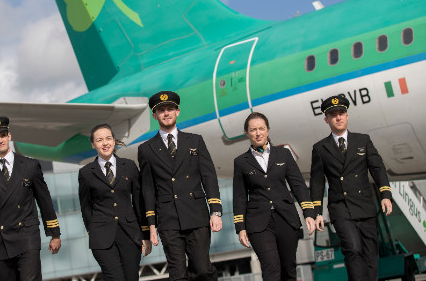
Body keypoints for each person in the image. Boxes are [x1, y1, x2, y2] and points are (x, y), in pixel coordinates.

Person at [138, 91, 222, 281]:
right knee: (177, 273)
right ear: (155, 116)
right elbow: (148, 190)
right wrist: (151, 225)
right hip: (168, 219)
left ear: (178, 112)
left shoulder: (195, 141)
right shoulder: (146, 149)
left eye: (170, 109)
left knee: (202, 269)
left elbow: (209, 177)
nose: (166, 113)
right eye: (161, 111)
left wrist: (215, 211)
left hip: (197, 215)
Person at [0, 116, 61, 281]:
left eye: (2, 135)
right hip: (0, 243)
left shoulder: (30, 165)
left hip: (27, 236)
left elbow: (44, 201)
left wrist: (55, 234)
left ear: (9, 136)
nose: (0, 140)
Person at [310, 95, 392, 281]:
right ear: (326, 119)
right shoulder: (320, 148)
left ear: (347, 116)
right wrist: (317, 212)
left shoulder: (362, 140)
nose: (338, 118)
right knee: (353, 249)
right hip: (341, 208)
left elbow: (377, 168)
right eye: (333, 115)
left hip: (365, 206)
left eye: (341, 113)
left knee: (370, 253)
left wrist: (385, 194)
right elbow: (317, 182)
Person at [233, 112, 316, 281]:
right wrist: (240, 227)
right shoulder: (241, 161)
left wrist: (309, 213)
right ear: (247, 133)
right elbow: (240, 196)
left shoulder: (283, 155)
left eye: (261, 128)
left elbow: (298, 185)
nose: (258, 133)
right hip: (259, 223)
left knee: (288, 269)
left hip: (286, 218)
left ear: (268, 130)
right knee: (271, 268)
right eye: (253, 129)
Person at [78, 123, 152, 281]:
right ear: (93, 144)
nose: (105, 143)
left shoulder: (130, 166)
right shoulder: (85, 173)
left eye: (108, 138)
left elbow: (139, 202)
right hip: (102, 237)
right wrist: (93, 232)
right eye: (99, 140)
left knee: (131, 278)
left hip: (130, 234)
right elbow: (86, 207)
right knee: (114, 278)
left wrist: (145, 234)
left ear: (114, 141)